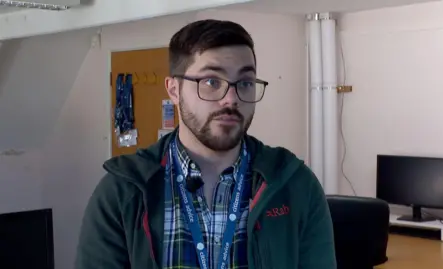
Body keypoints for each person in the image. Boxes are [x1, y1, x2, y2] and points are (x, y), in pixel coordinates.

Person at [75, 19, 336, 269]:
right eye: (211, 82)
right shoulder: (122, 192)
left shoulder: (295, 185)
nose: (231, 99)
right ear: (174, 90)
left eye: (244, 83)